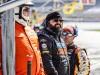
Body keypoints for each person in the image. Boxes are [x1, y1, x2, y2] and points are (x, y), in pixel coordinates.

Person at [0, 1, 45, 75]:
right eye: (26, 10)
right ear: (16, 10)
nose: (28, 13)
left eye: (29, 10)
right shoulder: (4, 30)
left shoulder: (31, 31)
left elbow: (38, 58)